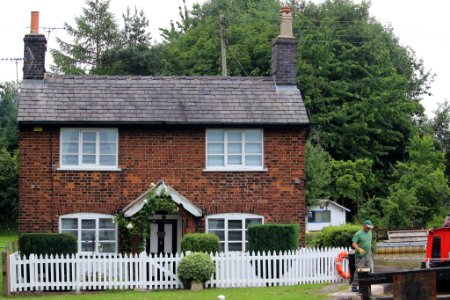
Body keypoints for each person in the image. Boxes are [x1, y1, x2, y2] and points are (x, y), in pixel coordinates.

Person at [351, 220, 374, 293]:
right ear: (364, 225)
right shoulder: (358, 234)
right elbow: (353, 244)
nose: (369, 229)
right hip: (360, 256)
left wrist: (370, 251)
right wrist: (358, 248)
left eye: (370, 228)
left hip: (368, 255)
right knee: (359, 271)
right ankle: (354, 286)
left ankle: (367, 285)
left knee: (370, 269)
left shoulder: (370, 233)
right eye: (368, 227)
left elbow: (369, 242)